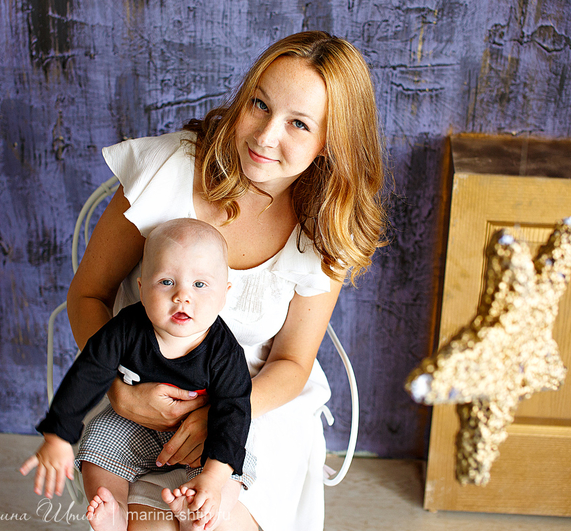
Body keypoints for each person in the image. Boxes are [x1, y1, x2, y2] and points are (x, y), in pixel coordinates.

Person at [66, 30, 387, 531]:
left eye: (299, 123)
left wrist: (222, 414)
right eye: (260, 104)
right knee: (150, 525)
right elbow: (87, 295)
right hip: (141, 388)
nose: (265, 136)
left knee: (213, 523)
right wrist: (118, 390)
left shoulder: (325, 226)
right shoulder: (169, 171)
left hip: (259, 401)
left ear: (331, 143)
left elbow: (291, 362)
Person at [21, 219, 252, 531]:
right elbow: (89, 371)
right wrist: (58, 435)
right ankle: (115, 510)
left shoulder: (224, 351)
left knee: (229, 462)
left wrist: (213, 477)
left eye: (200, 285)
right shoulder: (126, 329)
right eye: (167, 282)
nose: (182, 296)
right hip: (134, 422)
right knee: (99, 439)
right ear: (142, 289)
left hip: (204, 428)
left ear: (224, 294)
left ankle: (201, 512)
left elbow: (234, 410)